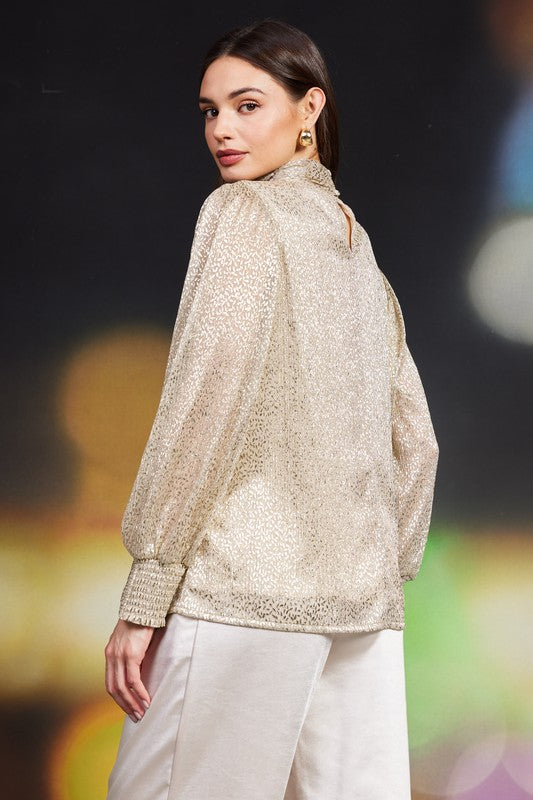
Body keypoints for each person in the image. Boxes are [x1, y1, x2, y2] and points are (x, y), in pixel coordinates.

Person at [104, 17, 439, 800]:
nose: (221, 129)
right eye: (209, 111)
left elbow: (205, 399)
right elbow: (418, 442)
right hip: (361, 613)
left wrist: (149, 584)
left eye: (246, 105)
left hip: (238, 597)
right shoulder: (355, 245)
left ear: (309, 108)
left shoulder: (244, 214)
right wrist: (374, 569)